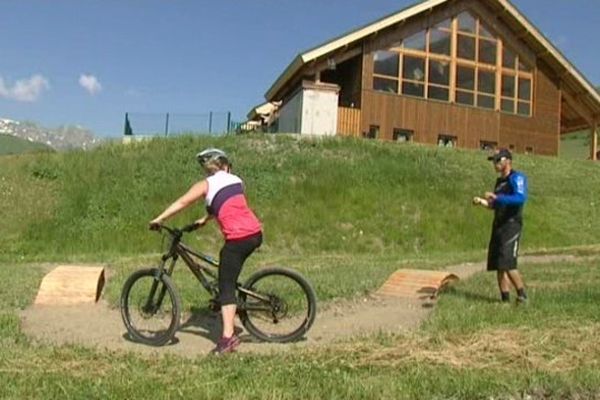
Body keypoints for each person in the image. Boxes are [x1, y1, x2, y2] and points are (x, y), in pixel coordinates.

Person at [149, 148, 262, 354]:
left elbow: (183, 202)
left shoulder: (206, 184)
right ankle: (228, 303)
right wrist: (205, 219)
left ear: (208, 168)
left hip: (239, 238)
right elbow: (226, 202)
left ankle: (227, 338)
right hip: (255, 233)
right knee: (227, 268)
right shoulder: (237, 180)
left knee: (226, 285)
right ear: (226, 166)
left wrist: (160, 219)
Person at [482, 148, 529, 304]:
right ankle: (505, 300)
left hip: (511, 225)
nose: (494, 164)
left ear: (507, 161)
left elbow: (520, 198)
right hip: (498, 224)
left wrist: (497, 197)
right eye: (493, 161)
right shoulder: (499, 182)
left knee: (508, 262)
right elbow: (495, 205)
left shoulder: (516, 178)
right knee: (498, 264)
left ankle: (522, 295)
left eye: (497, 160)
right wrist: (484, 203)